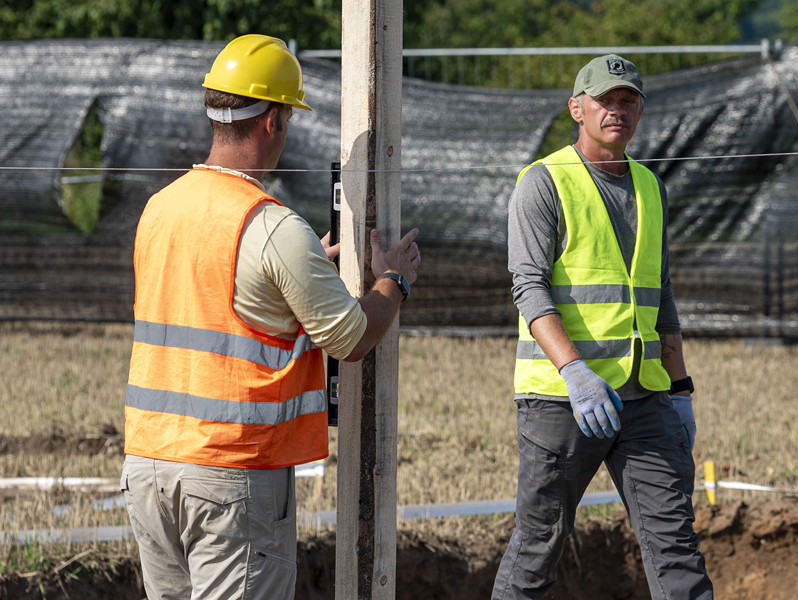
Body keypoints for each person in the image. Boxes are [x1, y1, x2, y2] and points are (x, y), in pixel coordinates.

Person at [120, 34, 420, 600]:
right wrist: (393, 281)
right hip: (232, 475)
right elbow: (351, 338)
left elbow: (213, 296)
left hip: (150, 466)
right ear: (272, 121)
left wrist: (297, 272)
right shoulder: (273, 228)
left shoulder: (160, 207)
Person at [492, 55, 713, 599]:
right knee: (538, 547)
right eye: (605, 100)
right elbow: (528, 287)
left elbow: (660, 297)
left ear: (640, 109)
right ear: (577, 108)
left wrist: (680, 391)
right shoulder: (543, 182)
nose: (617, 110)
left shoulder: (649, 187)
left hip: (644, 399)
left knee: (676, 548)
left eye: (628, 100)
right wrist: (574, 370)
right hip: (564, 400)